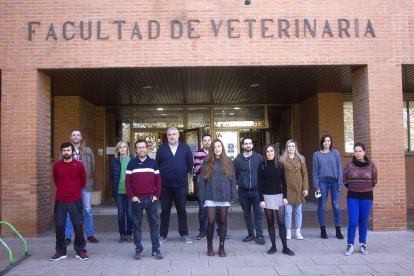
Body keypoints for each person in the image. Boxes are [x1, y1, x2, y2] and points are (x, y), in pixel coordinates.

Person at [198, 139, 237, 257]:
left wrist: (233, 194)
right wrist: (202, 196)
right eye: (215, 147)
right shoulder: (207, 161)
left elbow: (232, 179)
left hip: (224, 195)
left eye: (219, 146)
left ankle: (221, 246)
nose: (217, 148)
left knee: (223, 221)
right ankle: (209, 246)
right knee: (210, 221)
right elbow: (202, 181)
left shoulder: (228, 161)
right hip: (210, 195)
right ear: (212, 149)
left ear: (222, 147)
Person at [126, 139, 163, 260]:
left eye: (143, 147)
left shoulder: (153, 163)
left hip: (151, 199)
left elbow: (158, 181)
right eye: (139, 147)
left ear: (147, 149)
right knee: (137, 226)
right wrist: (132, 197)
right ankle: (138, 250)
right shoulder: (131, 163)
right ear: (136, 150)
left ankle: (156, 250)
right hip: (138, 200)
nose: (142, 149)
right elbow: (127, 182)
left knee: (154, 225)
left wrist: (156, 195)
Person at [51, 142, 88, 261]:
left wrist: (74, 190)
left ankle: (80, 250)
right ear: (61, 152)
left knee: (78, 225)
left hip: (75, 199)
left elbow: (83, 181)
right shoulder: (57, 166)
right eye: (64, 150)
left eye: (68, 150)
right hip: (60, 199)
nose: (66, 152)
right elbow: (56, 181)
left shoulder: (79, 165)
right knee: (59, 226)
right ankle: (61, 251)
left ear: (72, 151)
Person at [156, 127, 194, 244]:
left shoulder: (185, 148)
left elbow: (189, 164)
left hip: (180, 185)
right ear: (167, 136)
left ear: (178, 136)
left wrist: (181, 173)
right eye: (169, 135)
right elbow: (157, 165)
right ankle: (162, 235)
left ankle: (184, 234)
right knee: (165, 210)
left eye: (174, 134)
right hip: (165, 186)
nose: (171, 136)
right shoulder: (162, 148)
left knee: (181, 210)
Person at [258, 144, 295, 256]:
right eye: (267, 151)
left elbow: (284, 182)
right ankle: (273, 246)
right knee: (270, 223)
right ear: (265, 153)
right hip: (267, 197)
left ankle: (285, 247)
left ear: (275, 152)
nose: (270, 153)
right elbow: (259, 184)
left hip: (279, 196)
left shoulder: (280, 165)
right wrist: (261, 199)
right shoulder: (262, 166)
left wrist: (285, 197)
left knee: (281, 223)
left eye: (271, 151)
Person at [65, 129, 99, 245]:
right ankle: (68, 236)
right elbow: (61, 165)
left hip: (85, 184)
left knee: (87, 210)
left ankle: (90, 235)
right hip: (71, 186)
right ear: (70, 137)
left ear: (81, 137)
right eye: (73, 135)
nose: (76, 137)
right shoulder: (66, 150)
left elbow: (93, 166)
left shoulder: (87, 151)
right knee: (70, 211)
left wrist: (87, 177)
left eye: (78, 135)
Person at [343, 143, 378, 256]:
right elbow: (345, 179)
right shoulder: (349, 165)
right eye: (356, 151)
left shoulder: (371, 165)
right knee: (353, 221)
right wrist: (354, 188)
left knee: (363, 220)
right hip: (352, 196)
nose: (357, 153)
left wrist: (365, 188)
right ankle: (350, 245)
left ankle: (363, 244)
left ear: (364, 152)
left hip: (367, 197)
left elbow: (374, 180)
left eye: (359, 151)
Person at [234, 137, 265, 244]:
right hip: (243, 192)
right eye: (245, 143)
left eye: (250, 143)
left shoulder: (259, 158)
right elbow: (235, 176)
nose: (248, 145)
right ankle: (251, 234)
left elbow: (263, 174)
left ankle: (259, 235)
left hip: (257, 191)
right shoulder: (237, 160)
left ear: (252, 145)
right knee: (247, 214)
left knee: (258, 214)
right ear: (242, 146)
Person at [312, 134, 344, 239]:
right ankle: (323, 230)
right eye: (325, 141)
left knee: (336, 206)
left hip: (334, 181)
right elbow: (315, 171)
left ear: (331, 142)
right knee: (322, 206)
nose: (327, 143)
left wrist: (340, 183)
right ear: (322, 142)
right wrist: (316, 186)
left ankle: (338, 231)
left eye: (329, 141)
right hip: (322, 182)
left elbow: (339, 168)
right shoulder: (316, 154)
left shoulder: (335, 153)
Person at [279, 139, 309, 240]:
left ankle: (298, 231)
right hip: (287, 188)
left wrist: (305, 188)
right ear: (286, 148)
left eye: (293, 146)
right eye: (289, 146)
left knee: (298, 210)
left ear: (295, 147)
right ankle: (288, 231)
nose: (291, 148)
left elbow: (305, 174)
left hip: (299, 188)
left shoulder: (301, 158)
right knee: (287, 211)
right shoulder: (282, 159)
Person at [110, 141, 135, 243]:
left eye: (124, 147)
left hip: (130, 192)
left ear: (127, 149)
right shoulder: (114, 162)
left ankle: (129, 234)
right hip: (119, 192)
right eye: (120, 147)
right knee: (120, 214)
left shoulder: (133, 160)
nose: (122, 149)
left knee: (129, 213)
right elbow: (111, 176)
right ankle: (122, 235)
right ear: (118, 150)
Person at [193, 133, 212, 240]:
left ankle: (220, 232)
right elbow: (197, 169)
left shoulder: (216, 151)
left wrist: (204, 165)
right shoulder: (197, 153)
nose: (207, 142)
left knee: (218, 208)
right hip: (202, 184)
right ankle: (202, 232)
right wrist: (211, 167)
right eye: (205, 140)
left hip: (215, 185)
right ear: (202, 142)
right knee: (202, 209)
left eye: (209, 140)